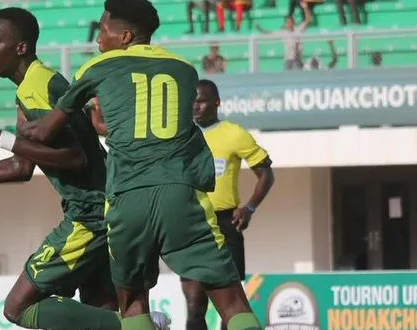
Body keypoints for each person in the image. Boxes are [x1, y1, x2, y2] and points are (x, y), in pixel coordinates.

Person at [0, 7, 170, 330]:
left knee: (17, 307)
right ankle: (133, 323)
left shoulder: (38, 84)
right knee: (98, 309)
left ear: (21, 47)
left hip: (91, 215)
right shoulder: (30, 87)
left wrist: (0, 138)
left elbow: (75, 158)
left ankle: (142, 326)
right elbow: (22, 166)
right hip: (106, 210)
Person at [16, 0, 263, 329]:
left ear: (125, 36)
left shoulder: (94, 68)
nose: (98, 40)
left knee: (133, 307)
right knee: (232, 304)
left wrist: (5, 136)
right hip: (180, 195)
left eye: (103, 31)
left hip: (128, 200)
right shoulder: (185, 70)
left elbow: (46, 129)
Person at [184, 79, 275, 330]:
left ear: (216, 103)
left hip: (225, 223)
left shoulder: (234, 133)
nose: (196, 107)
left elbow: (267, 174)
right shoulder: (182, 135)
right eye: (192, 101)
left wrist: (250, 208)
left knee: (230, 306)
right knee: (194, 304)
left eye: (201, 101)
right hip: (191, 223)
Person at [256, 1, 311, 71]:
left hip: (298, 59)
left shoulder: (298, 29)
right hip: (288, 60)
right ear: (285, 24)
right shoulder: (283, 33)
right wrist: (260, 29)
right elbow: (269, 33)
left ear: (293, 22)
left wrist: (305, 7)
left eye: (290, 22)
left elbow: (308, 20)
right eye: (287, 22)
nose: (289, 24)